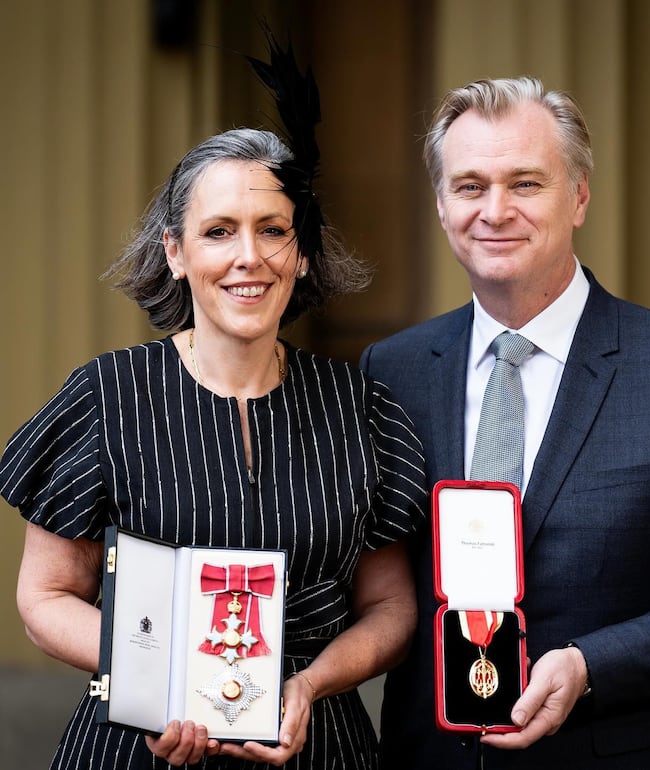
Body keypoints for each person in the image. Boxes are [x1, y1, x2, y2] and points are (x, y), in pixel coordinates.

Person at [0, 72, 427, 770]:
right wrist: (165, 678)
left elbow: (390, 609)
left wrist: (311, 684)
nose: (248, 258)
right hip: (141, 744)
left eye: (273, 230)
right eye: (219, 231)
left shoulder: (361, 408)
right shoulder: (107, 397)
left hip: (316, 747)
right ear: (176, 252)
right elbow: (43, 596)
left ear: (303, 249)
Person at [360, 76, 650, 769]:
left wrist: (589, 665)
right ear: (439, 204)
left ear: (579, 196)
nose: (495, 210)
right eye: (469, 186)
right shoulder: (391, 371)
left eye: (525, 184)